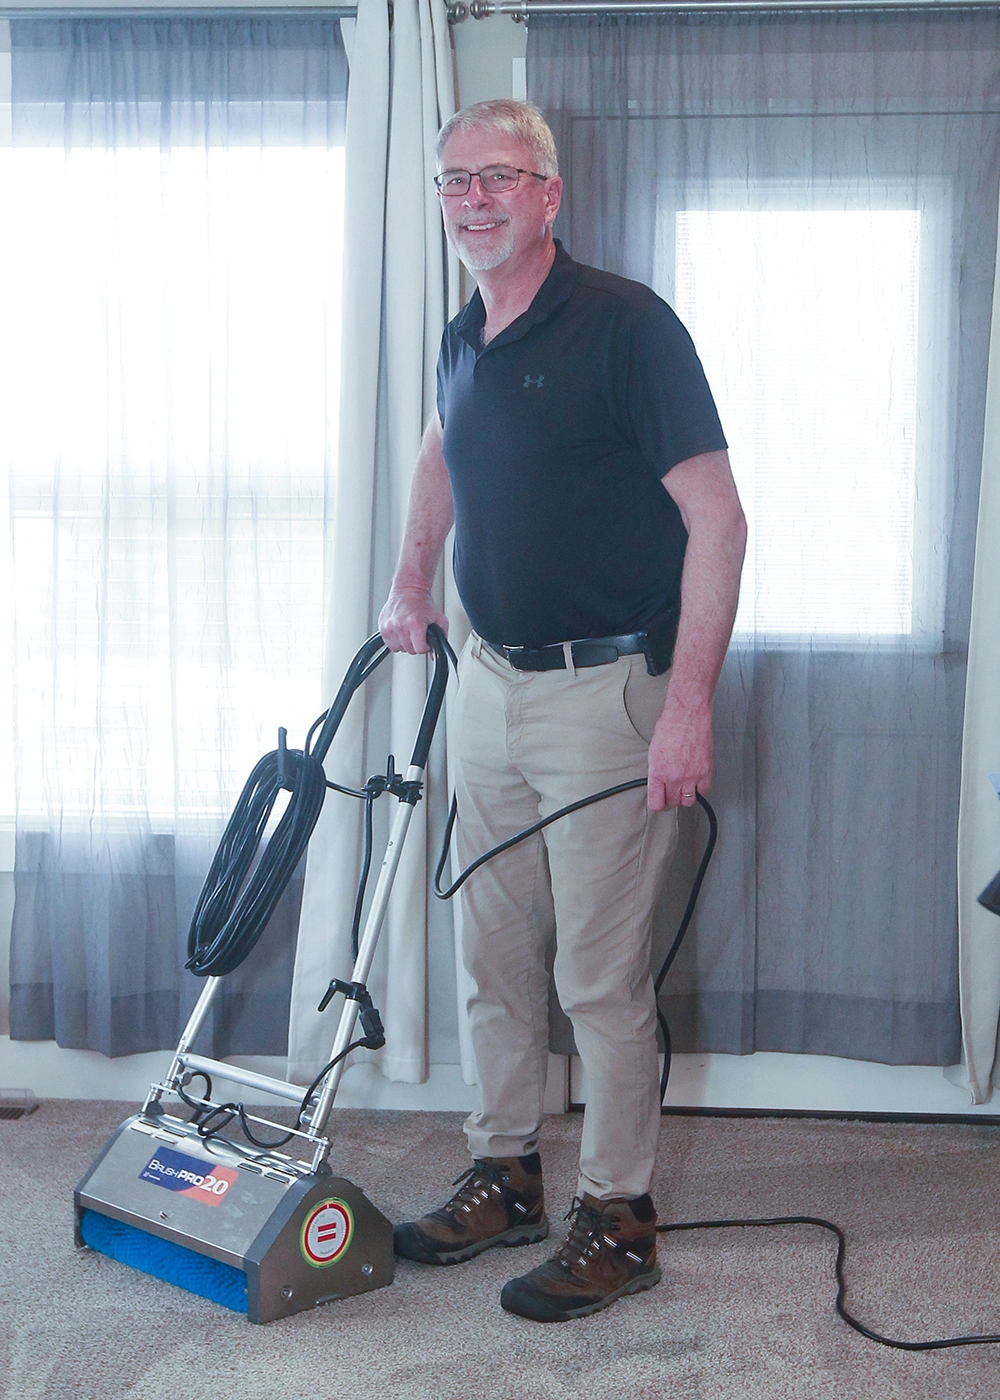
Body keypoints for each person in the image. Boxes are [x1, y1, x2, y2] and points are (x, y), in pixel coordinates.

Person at [378, 99, 746, 1323]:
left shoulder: (627, 327)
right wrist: (409, 582)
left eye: (498, 176)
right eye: (454, 181)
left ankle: (618, 1216)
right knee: (490, 954)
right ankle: (505, 1175)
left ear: (548, 193)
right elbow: (441, 453)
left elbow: (718, 518)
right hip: (489, 682)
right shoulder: (463, 335)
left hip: (606, 695)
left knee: (597, 976)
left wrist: (686, 705)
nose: (473, 200)